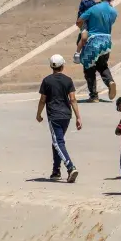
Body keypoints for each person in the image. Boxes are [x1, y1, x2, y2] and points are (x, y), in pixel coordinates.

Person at [36, 54, 82, 182]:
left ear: (51, 66)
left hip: (54, 116)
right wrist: (78, 117)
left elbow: (42, 100)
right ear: (62, 66)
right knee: (56, 142)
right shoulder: (68, 80)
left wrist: (38, 114)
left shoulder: (46, 81)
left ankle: (70, 167)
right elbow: (72, 99)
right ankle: (56, 171)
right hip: (66, 116)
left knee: (58, 142)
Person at [76, 0, 118, 102]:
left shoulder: (93, 9)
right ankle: (110, 81)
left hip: (93, 41)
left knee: (89, 68)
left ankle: (94, 96)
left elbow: (79, 21)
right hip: (107, 41)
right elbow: (111, 22)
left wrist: (84, 30)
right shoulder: (114, 11)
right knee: (102, 65)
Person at [72, 0, 97, 64]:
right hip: (84, 22)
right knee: (84, 37)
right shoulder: (84, 1)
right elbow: (90, 5)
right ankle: (77, 54)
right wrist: (98, 3)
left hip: (90, 22)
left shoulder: (92, 2)